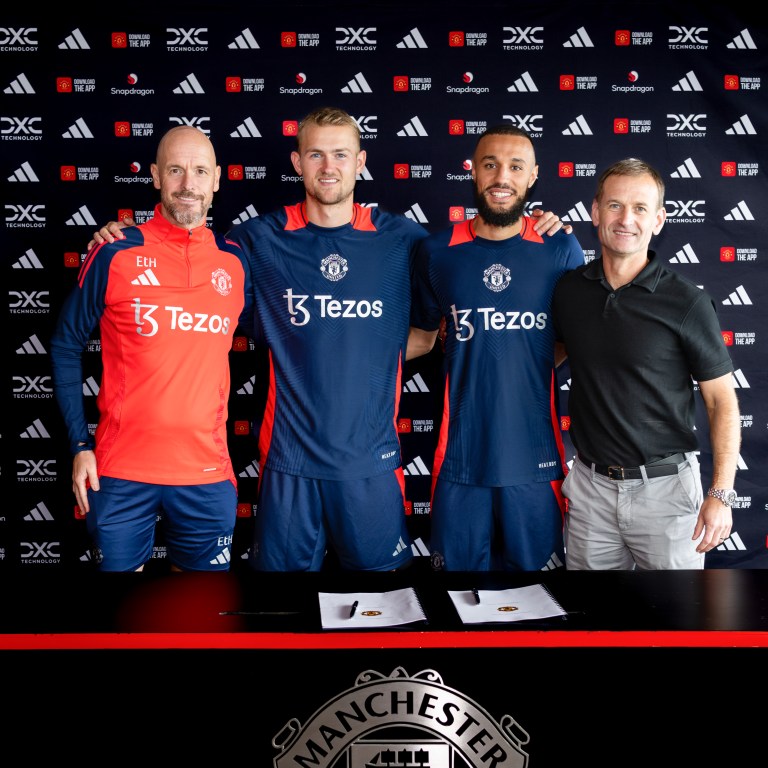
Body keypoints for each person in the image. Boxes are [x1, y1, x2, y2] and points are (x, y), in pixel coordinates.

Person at [90, 108, 566, 573]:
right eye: (315, 155)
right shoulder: (255, 240)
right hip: (288, 464)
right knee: (282, 615)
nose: (329, 166)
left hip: (371, 464)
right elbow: (186, 260)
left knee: (386, 607)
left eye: (341, 155)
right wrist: (120, 239)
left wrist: (537, 226)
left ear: (360, 163)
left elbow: (448, 307)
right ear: (297, 164)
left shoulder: (406, 240)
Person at [50, 125, 253, 572]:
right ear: (156, 175)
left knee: (200, 621)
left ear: (217, 179)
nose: (188, 184)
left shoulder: (236, 262)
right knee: (123, 626)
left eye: (200, 171)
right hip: (120, 471)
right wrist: (80, 444)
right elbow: (66, 346)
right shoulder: (114, 251)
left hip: (207, 474)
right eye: (176, 170)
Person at [551, 157, 741, 570]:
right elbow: (549, 353)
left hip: (667, 494)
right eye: (615, 205)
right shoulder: (568, 291)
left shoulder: (687, 302)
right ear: (594, 212)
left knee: (677, 625)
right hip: (590, 490)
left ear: (658, 220)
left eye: (640, 208)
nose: (626, 219)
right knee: (592, 627)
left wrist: (721, 494)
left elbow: (722, 401)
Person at [411, 123, 585, 572]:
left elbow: (570, 340)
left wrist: (522, 355)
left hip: (534, 457)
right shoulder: (437, 251)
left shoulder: (560, 249)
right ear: (473, 172)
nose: (501, 177)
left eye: (514, 166)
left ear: (532, 177)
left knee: (541, 604)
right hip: (460, 459)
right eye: (490, 165)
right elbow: (426, 336)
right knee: (456, 602)